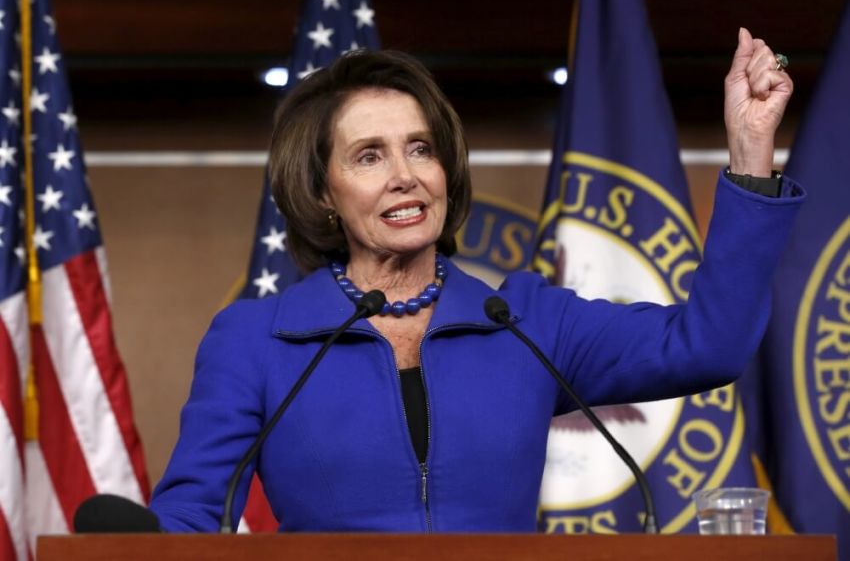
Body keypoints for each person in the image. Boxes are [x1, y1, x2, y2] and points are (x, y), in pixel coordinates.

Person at [149, 29, 804, 532]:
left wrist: (749, 157)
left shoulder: (525, 321)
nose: (405, 174)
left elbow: (708, 344)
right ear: (323, 191)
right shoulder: (257, 341)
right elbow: (187, 523)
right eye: (369, 156)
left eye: (421, 148)